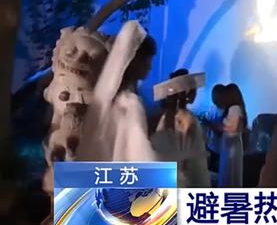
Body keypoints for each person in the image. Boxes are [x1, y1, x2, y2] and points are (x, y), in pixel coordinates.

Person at [78, 21, 157, 162]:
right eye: (147, 61)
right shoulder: (130, 103)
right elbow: (141, 156)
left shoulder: (106, 98)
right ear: (134, 61)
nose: (150, 67)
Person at [150, 69, 211, 187]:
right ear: (187, 93)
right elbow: (186, 153)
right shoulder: (186, 118)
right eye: (194, 90)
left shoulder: (167, 116)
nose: (196, 93)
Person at [218, 83, 247, 187]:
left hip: (231, 147)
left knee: (230, 175)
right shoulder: (236, 108)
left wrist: (221, 126)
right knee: (231, 175)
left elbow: (233, 127)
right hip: (232, 146)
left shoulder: (235, 109)